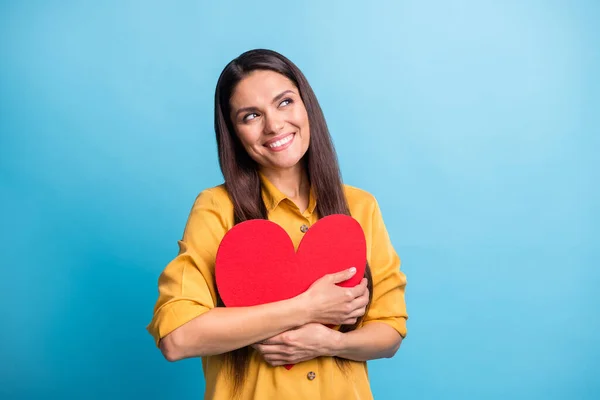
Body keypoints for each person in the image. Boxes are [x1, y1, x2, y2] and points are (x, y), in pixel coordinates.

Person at [147, 49, 408, 400]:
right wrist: (308, 307)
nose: (273, 125)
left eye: (284, 102)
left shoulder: (360, 207)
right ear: (234, 133)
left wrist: (331, 342)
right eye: (251, 115)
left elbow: (389, 333)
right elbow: (178, 338)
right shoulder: (217, 209)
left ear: (306, 106)